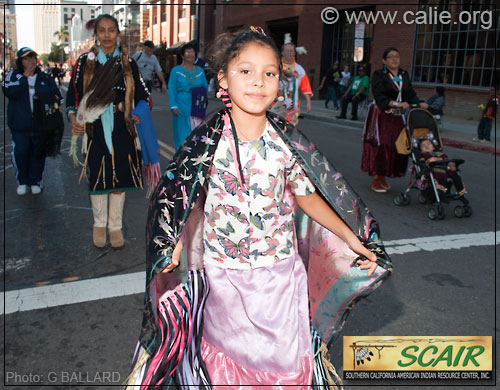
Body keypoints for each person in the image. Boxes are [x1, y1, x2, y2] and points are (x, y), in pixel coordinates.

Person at [125, 27, 392, 389]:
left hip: (280, 275)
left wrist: (351, 237)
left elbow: (309, 196)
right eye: (245, 71)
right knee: (229, 360)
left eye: (269, 73)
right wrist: (171, 241)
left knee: (283, 362)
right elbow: (184, 197)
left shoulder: (286, 143)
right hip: (225, 277)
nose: (258, 82)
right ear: (223, 77)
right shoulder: (206, 141)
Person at [66, 14, 151, 248]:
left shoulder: (129, 63)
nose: (106, 35)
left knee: (120, 178)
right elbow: (73, 94)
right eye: (102, 31)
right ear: (96, 34)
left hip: (123, 127)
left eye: (111, 30)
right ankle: (99, 224)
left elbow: (145, 96)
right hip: (94, 127)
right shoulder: (85, 62)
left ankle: (114, 227)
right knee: (99, 177)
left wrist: (138, 112)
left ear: (118, 33)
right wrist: (74, 116)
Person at [361, 47, 427, 193]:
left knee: (397, 145)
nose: (394, 59)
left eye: (396, 56)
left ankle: (385, 175)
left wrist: (420, 103)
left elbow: (410, 93)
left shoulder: (404, 74)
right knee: (383, 144)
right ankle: (377, 177)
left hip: (399, 116)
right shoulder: (379, 75)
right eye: (390, 57)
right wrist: (395, 103)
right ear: (384, 61)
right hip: (383, 114)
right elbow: (379, 95)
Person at [3, 47, 63, 195]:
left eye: (32, 58)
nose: (30, 61)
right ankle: (22, 181)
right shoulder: (13, 76)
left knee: (38, 153)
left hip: (40, 125)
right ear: (20, 61)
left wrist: (55, 103)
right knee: (21, 152)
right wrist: (24, 79)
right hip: (20, 125)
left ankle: (35, 181)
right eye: (26, 59)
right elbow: (9, 91)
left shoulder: (44, 77)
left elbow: (57, 95)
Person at [168, 42, 208, 150]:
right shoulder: (175, 71)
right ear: (182, 55)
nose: (190, 54)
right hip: (181, 104)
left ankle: (193, 156)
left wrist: (200, 95)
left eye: (192, 52)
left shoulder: (200, 71)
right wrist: (173, 105)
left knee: (196, 132)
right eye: (187, 52)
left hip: (196, 104)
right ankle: (181, 157)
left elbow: (205, 87)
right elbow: (171, 89)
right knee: (182, 133)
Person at [417, 138, 468, 203]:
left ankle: (461, 194)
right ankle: (441, 196)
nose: (426, 146)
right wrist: (425, 163)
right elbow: (421, 162)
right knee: (440, 179)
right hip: (433, 172)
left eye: (428, 144)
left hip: (445, 171)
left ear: (433, 147)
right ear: (421, 150)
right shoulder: (423, 155)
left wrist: (451, 164)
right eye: (423, 145)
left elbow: (446, 160)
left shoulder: (440, 154)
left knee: (456, 176)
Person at [281, 41, 312, 125]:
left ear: (294, 53)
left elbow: (305, 87)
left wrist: (308, 102)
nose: (289, 53)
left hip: (293, 107)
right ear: (282, 52)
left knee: (290, 130)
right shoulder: (276, 67)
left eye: (291, 51)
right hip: (276, 105)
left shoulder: (299, 69)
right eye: (287, 50)